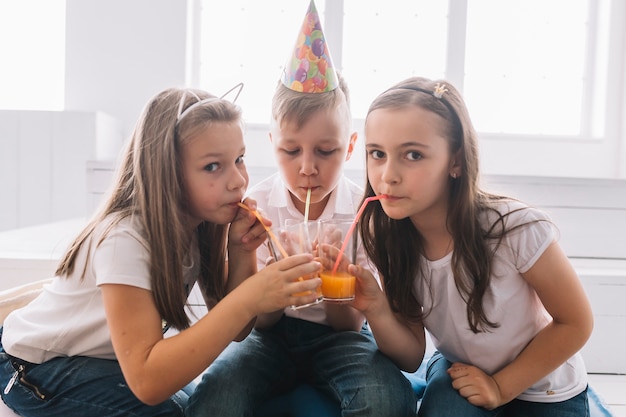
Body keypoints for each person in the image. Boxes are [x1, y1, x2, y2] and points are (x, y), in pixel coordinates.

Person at [0, 86, 322, 417]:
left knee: (203, 403)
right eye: (213, 166)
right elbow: (148, 382)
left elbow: (238, 329)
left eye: (239, 159)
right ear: (166, 171)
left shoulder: (200, 224)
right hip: (33, 366)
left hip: (101, 360)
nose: (238, 181)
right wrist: (251, 297)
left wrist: (241, 251)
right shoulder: (126, 239)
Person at [186, 2, 416, 416]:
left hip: (339, 337)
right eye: (291, 151)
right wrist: (277, 286)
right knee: (217, 395)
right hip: (268, 338)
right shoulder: (256, 211)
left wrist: (336, 284)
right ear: (272, 143)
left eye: (325, 151)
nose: (307, 167)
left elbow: (351, 327)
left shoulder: (360, 215)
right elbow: (257, 325)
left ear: (349, 147)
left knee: (386, 400)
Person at [349, 76, 594, 416]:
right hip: (463, 371)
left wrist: (500, 387)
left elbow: (576, 322)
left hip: (545, 388)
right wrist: (376, 307)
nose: (388, 175)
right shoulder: (390, 238)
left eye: (413, 155)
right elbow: (410, 356)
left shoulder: (513, 229)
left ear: (456, 162)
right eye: (377, 154)